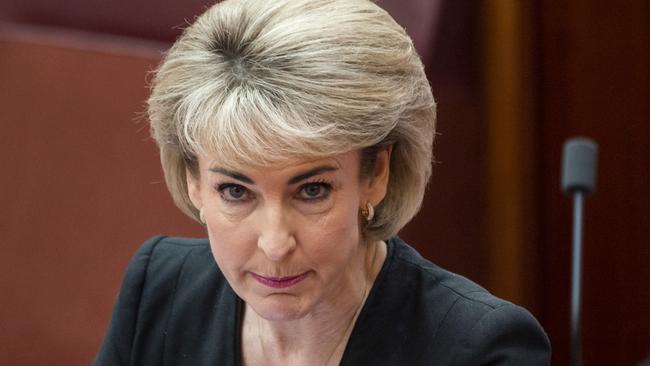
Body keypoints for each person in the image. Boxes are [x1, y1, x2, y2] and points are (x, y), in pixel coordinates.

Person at [94, 0, 550, 364]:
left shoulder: (479, 347)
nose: (275, 245)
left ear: (376, 175)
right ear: (194, 182)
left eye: (312, 190)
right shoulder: (159, 289)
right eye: (236, 191)